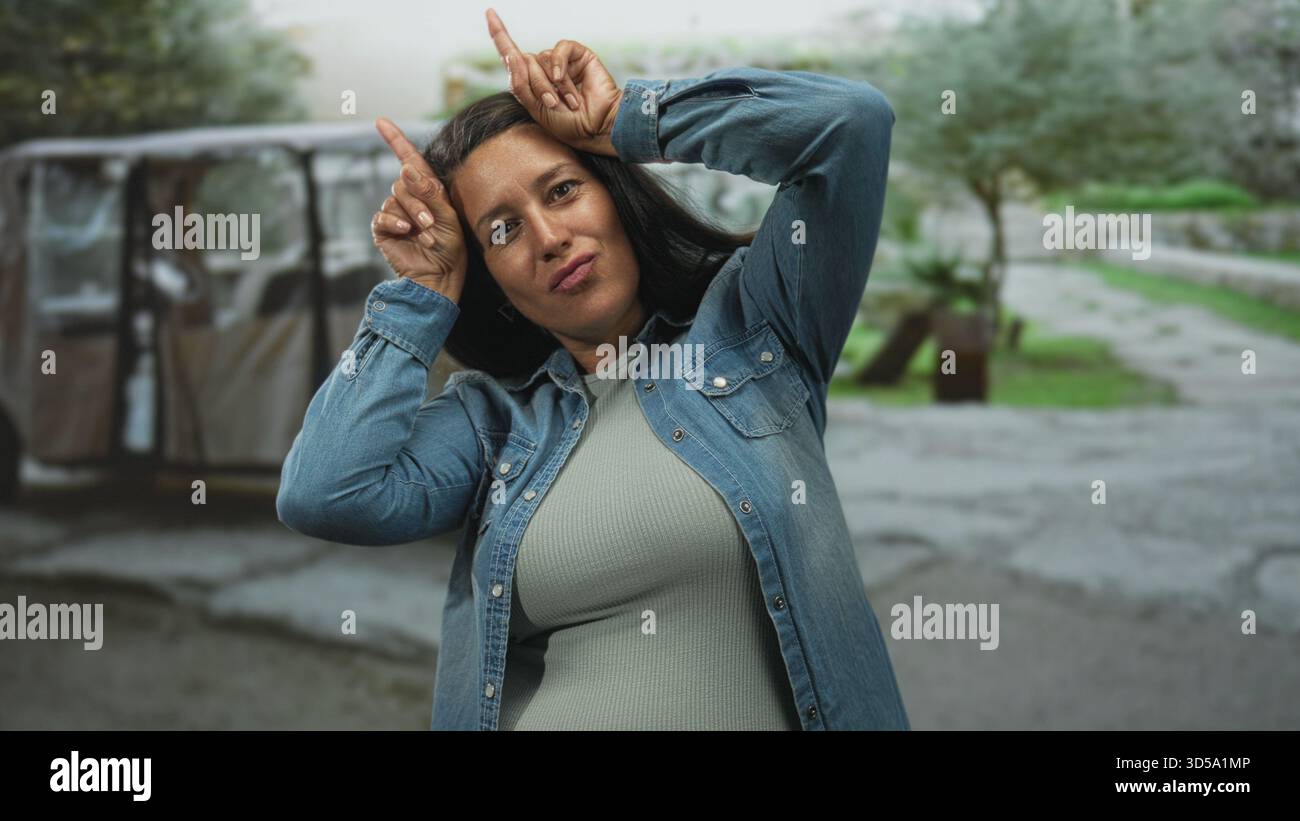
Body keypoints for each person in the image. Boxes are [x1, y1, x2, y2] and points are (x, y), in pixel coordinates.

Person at [277, 8, 910, 731]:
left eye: (562, 190)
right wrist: (420, 297)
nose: (550, 238)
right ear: (489, 279)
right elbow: (324, 492)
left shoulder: (756, 326)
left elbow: (852, 126)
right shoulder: (492, 426)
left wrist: (627, 118)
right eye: (503, 230)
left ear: (615, 192)